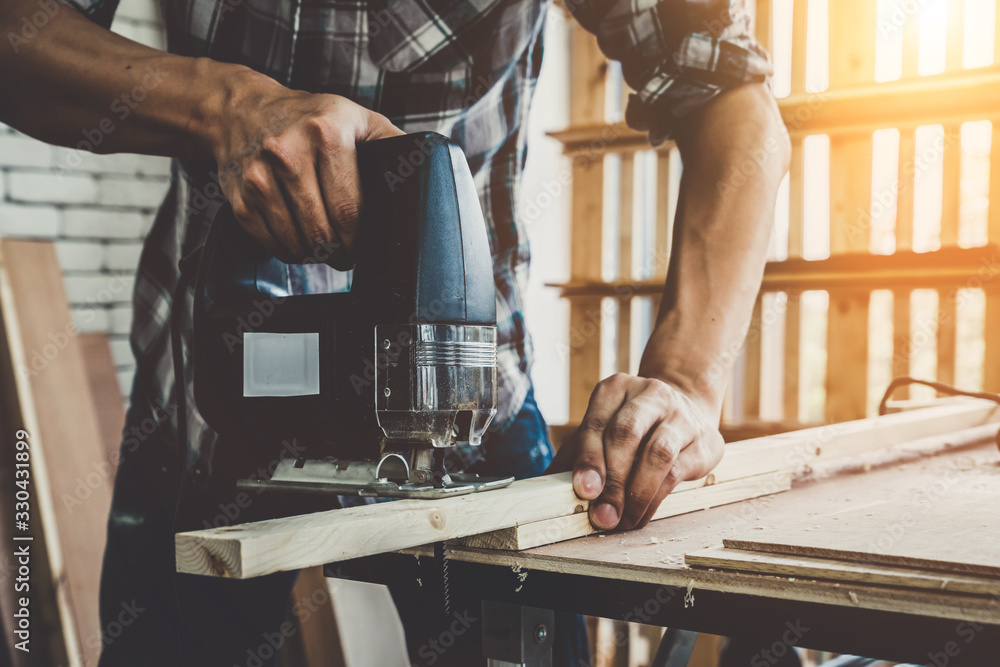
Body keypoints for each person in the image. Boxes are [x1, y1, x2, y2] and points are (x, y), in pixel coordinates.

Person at [0, 0, 790, 664]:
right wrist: (224, 105)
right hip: (209, 396)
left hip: (466, 396)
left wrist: (685, 378)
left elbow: (735, 102)